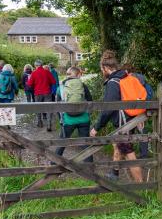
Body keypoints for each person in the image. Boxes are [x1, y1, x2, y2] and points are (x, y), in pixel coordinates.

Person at [90, 50, 144, 182]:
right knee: (117, 145)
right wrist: (140, 116)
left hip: (122, 124)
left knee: (129, 154)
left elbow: (108, 109)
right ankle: (114, 173)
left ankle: (142, 187)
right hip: (131, 119)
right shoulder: (126, 77)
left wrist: (96, 127)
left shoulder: (113, 82)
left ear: (106, 68)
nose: (102, 72)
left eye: (102, 69)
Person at [55, 66, 93, 162]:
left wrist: (61, 118)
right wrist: (88, 114)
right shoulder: (83, 86)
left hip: (68, 120)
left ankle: (54, 163)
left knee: (62, 142)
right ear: (78, 75)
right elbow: (90, 101)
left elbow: (57, 105)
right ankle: (89, 167)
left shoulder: (61, 87)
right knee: (86, 143)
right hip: (84, 119)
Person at [27, 59, 56, 130]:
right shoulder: (47, 72)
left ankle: (39, 122)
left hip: (37, 93)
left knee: (38, 108)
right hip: (47, 92)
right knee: (49, 108)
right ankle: (49, 124)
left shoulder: (34, 73)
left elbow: (29, 84)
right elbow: (53, 81)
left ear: (36, 65)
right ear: (41, 65)